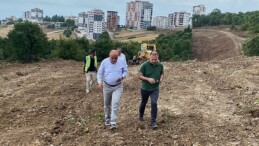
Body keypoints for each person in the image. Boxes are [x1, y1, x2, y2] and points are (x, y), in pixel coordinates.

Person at [97, 50, 128, 130]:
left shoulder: (121, 61)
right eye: (112, 58)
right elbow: (100, 73)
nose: (114, 60)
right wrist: (100, 83)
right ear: (109, 56)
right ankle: (107, 119)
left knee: (115, 104)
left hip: (118, 86)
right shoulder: (104, 62)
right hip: (107, 86)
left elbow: (125, 71)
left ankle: (113, 122)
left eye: (115, 58)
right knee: (107, 104)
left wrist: (122, 77)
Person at [138, 51, 164, 129]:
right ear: (150, 57)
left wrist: (161, 78)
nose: (154, 61)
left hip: (155, 88)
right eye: (152, 59)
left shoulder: (160, 65)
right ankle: (141, 116)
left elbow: (162, 73)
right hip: (145, 88)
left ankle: (153, 121)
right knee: (143, 103)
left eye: (155, 59)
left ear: (157, 58)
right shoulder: (144, 65)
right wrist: (148, 79)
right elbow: (139, 76)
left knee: (154, 103)